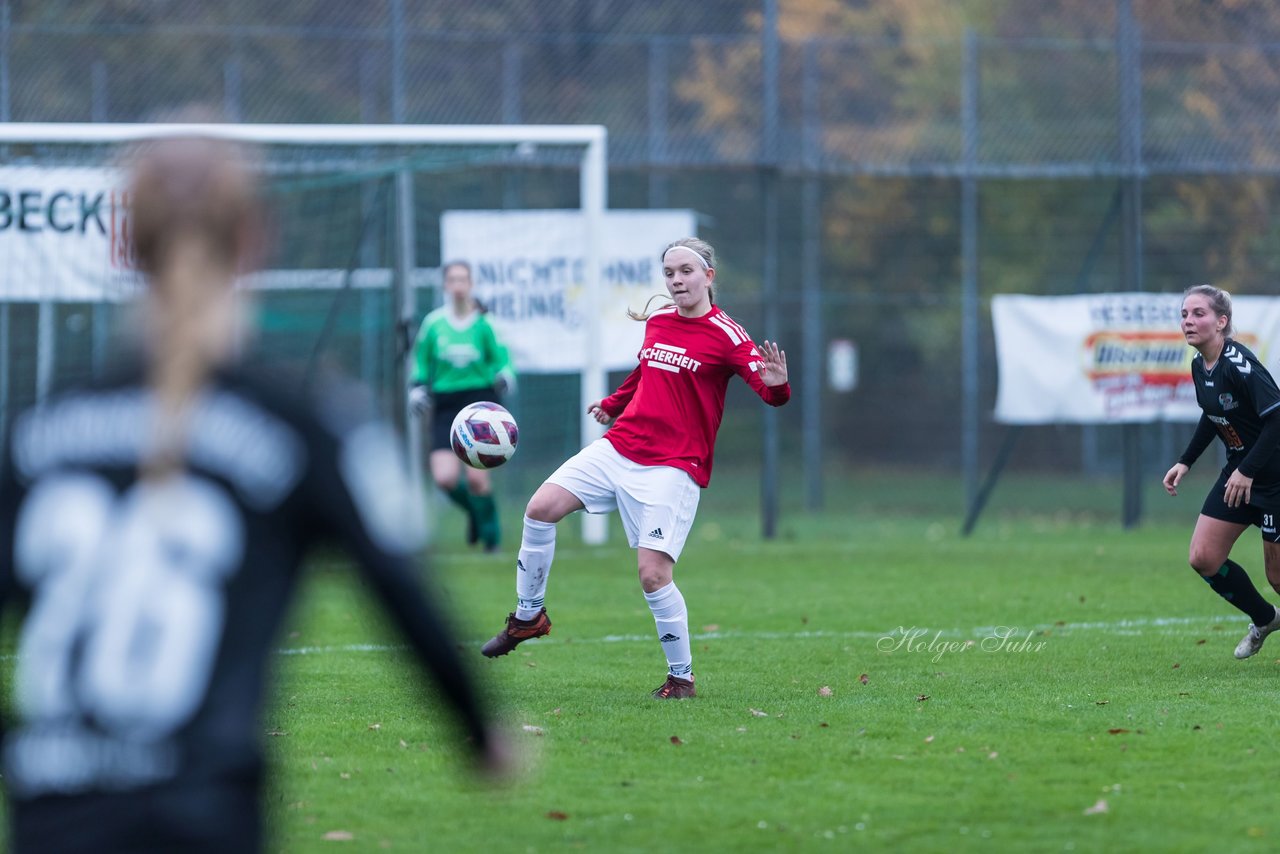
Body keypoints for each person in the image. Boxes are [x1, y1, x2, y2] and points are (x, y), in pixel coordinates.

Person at [0, 134, 509, 854]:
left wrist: (24, 748)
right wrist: (478, 728)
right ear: (255, 240)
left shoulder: (36, 430)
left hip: (51, 819)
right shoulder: (303, 424)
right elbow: (398, 581)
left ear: (122, 242)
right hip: (205, 813)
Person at [478, 237, 790, 699]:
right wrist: (613, 403)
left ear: (709, 276)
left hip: (674, 465)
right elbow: (646, 371)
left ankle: (681, 678)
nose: (676, 280)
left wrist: (778, 386)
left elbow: (769, 393)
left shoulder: (727, 335)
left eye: (686, 270)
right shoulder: (660, 320)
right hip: (621, 446)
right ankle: (529, 617)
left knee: (653, 575)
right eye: (669, 272)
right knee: (540, 508)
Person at [1163, 284, 1280, 660]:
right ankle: (1265, 620)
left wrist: (1247, 470)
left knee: (1278, 578)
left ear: (1221, 321)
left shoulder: (1239, 363)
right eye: (1184, 314)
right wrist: (1185, 460)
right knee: (1203, 557)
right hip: (1239, 475)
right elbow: (1212, 417)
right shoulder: (1201, 365)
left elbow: (1276, 418)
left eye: (1198, 313)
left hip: (1272, 478)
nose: (1188, 321)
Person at [409, 261, 516, 553]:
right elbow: (421, 361)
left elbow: (502, 358)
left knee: (477, 479)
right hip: (446, 404)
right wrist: (417, 387)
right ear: (445, 285)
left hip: (479, 404)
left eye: (463, 279)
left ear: (470, 284)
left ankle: (491, 534)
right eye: (452, 279)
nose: (457, 285)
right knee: (444, 478)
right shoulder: (433, 323)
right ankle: (475, 512)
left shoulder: (484, 323)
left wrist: (505, 375)